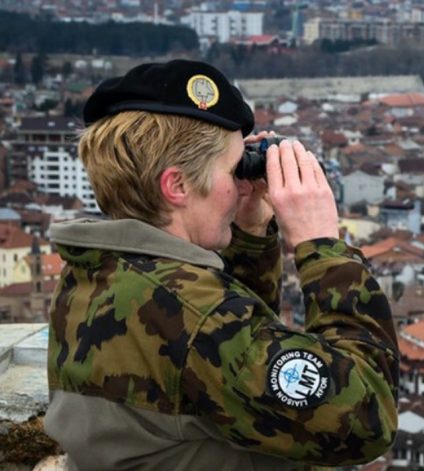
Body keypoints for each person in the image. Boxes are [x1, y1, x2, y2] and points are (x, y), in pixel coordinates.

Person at [43, 59, 399, 470]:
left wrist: (248, 232)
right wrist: (321, 247)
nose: (241, 184)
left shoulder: (98, 270)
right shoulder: (197, 316)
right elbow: (367, 417)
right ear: (176, 185)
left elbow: (231, 366)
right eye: (234, 170)